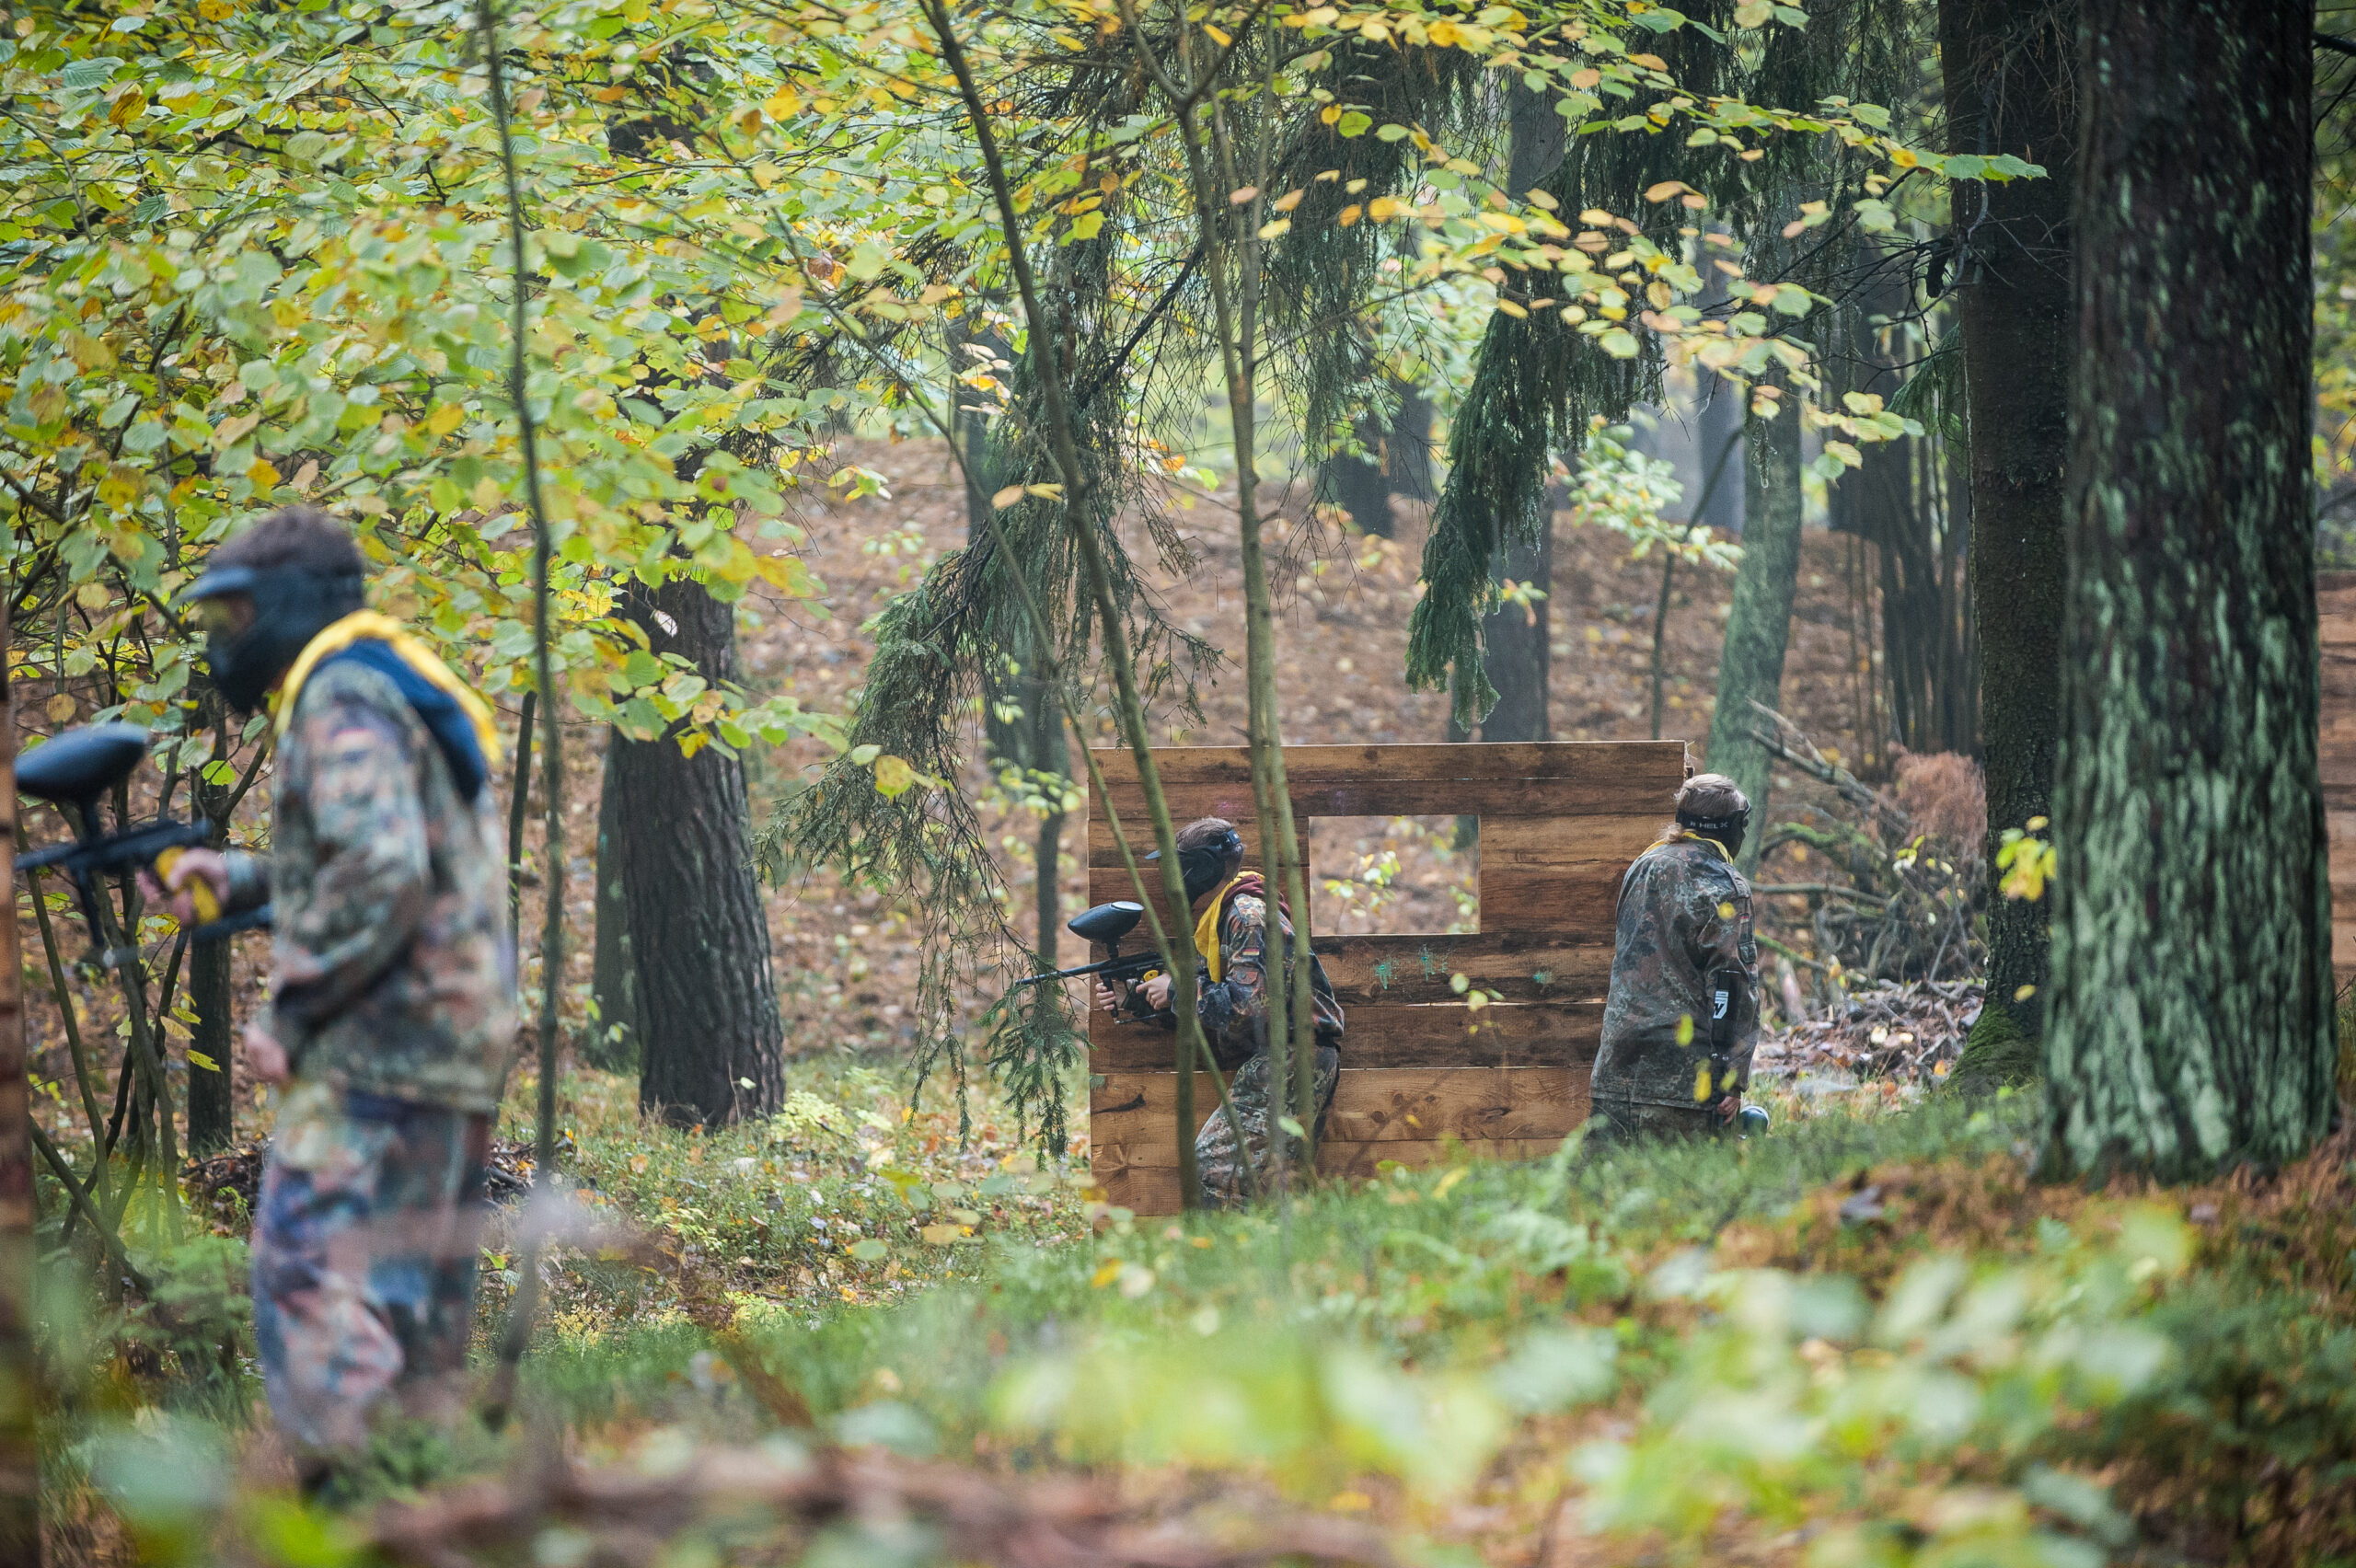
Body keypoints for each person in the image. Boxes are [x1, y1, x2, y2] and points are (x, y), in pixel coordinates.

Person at [144, 506, 514, 1492]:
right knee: (407, 1313)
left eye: (234, 616)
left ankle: (360, 1516)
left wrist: (294, 1013)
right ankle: (426, 1526)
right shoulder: (384, 682)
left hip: (374, 1052)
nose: (224, 642)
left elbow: (381, 871)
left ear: (291, 607)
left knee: (310, 1277)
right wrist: (243, 880)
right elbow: (388, 856)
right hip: (447, 1048)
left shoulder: (340, 695)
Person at [1093, 817, 1345, 1207]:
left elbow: (1246, 1007)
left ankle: (1229, 1265)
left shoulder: (1245, 915)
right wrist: (1140, 997)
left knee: (1212, 1170)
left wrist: (1176, 987)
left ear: (1203, 867)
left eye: (1178, 866)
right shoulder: (1227, 917)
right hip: (1291, 1057)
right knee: (1273, 1186)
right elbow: (1221, 1003)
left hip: (1292, 1058)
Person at [1589, 772, 1759, 1145]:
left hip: (1615, 1074)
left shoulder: (1642, 867)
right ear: (1730, 828)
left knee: (1600, 1199)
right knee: (1683, 1201)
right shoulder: (1724, 883)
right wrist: (1731, 1078)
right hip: (1683, 1086)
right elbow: (1732, 987)